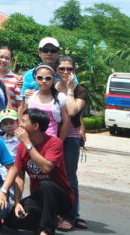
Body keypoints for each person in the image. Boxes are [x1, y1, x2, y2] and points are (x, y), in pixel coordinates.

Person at [6, 108, 75, 235]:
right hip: (39, 198)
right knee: (11, 221)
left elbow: (46, 168)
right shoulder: (21, 146)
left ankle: (47, 230)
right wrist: (17, 203)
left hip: (61, 198)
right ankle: (46, 221)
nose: (19, 124)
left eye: (23, 121)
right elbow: (20, 177)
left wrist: (27, 142)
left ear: (36, 126)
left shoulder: (54, 142)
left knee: (46, 184)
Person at [54, 56, 88, 230]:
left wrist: (69, 90)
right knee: (49, 176)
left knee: (69, 178)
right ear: (56, 70)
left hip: (71, 138)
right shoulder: (50, 86)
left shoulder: (80, 90)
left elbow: (73, 110)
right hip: (51, 135)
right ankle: (52, 213)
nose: (66, 72)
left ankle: (70, 216)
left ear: (74, 71)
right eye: (62, 69)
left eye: (69, 69)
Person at [22, 65, 69, 140]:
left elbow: (66, 123)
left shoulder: (60, 98)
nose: (44, 81)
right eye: (40, 78)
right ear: (35, 79)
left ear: (53, 80)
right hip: (30, 141)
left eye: (48, 78)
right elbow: (24, 120)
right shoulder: (30, 97)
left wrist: (59, 141)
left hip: (51, 142)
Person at [0, 46, 21, 110]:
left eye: (7, 58)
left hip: (9, 118)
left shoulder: (16, 79)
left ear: (11, 61)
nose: (3, 60)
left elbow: (20, 105)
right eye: (1, 57)